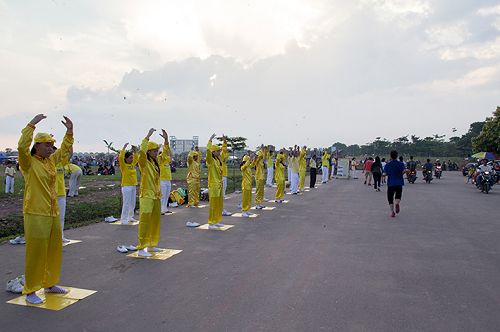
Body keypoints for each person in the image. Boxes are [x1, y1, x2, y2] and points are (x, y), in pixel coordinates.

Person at [18, 113, 74, 304]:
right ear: (38, 146)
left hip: (52, 212)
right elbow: (21, 147)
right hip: (35, 212)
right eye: (47, 145)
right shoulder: (28, 162)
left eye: (52, 145)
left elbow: (65, 150)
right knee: (36, 251)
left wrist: (70, 131)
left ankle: (50, 283)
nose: (51, 148)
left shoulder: (51, 161)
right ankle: (31, 290)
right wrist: (31, 125)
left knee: (53, 249)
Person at [136, 128, 168, 257]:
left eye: (157, 151)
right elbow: (141, 152)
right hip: (146, 195)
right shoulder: (143, 163)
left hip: (156, 195)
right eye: (154, 151)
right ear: (148, 151)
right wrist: (147, 136)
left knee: (155, 221)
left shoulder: (156, 162)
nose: (156, 153)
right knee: (145, 221)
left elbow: (165, 155)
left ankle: (152, 245)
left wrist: (166, 140)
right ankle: (141, 248)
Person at [206, 134, 226, 229]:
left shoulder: (218, 161)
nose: (219, 152)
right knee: (213, 204)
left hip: (219, 185)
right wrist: (210, 141)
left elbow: (224, 153)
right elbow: (207, 151)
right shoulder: (210, 161)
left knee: (219, 204)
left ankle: (217, 220)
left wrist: (224, 143)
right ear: (213, 152)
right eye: (218, 151)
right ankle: (211, 222)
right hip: (213, 186)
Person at [118, 143, 139, 224]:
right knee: (126, 203)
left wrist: (135, 151)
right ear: (126, 159)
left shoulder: (133, 165)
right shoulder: (123, 165)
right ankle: (124, 219)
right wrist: (124, 148)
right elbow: (120, 157)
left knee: (132, 203)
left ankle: (130, 217)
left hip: (133, 185)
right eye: (130, 158)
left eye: (132, 158)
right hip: (126, 186)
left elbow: (136, 158)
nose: (132, 159)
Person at [54, 147, 70, 241]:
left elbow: (69, 153)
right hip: (51, 194)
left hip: (61, 193)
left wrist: (70, 144)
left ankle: (61, 236)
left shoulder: (61, 163)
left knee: (61, 217)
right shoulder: (48, 163)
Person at [384, 150, 406, 218]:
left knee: (390, 198)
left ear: (390, 156)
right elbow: (403, 172)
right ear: (397, 156)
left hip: (391, 183)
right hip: (399, 183)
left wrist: (384, 175)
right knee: (398, 195)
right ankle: (397, 203)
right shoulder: (401, 164)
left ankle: (392, 212)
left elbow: (385, 173)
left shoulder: (388, 164)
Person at [159, 139, 173, 215]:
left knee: (167, 195)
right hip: (162, 180)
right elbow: (163, 153)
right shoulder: (160, 160)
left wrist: (169, 149)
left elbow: (170, 155)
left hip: (168, 180)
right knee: (163, 195)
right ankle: (161, 209)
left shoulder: (167, 160)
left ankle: (165, 209)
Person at [240, 153, 256, 217]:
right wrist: (249, 160)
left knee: (249, 198)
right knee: (245, 199)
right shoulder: (243, 167)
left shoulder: (248, 167)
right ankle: (244, 211)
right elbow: (246, 165)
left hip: (249, 185)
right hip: (245, 185)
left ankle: (247, 210)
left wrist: (254, 159)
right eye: (248, 160)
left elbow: (253, 164)